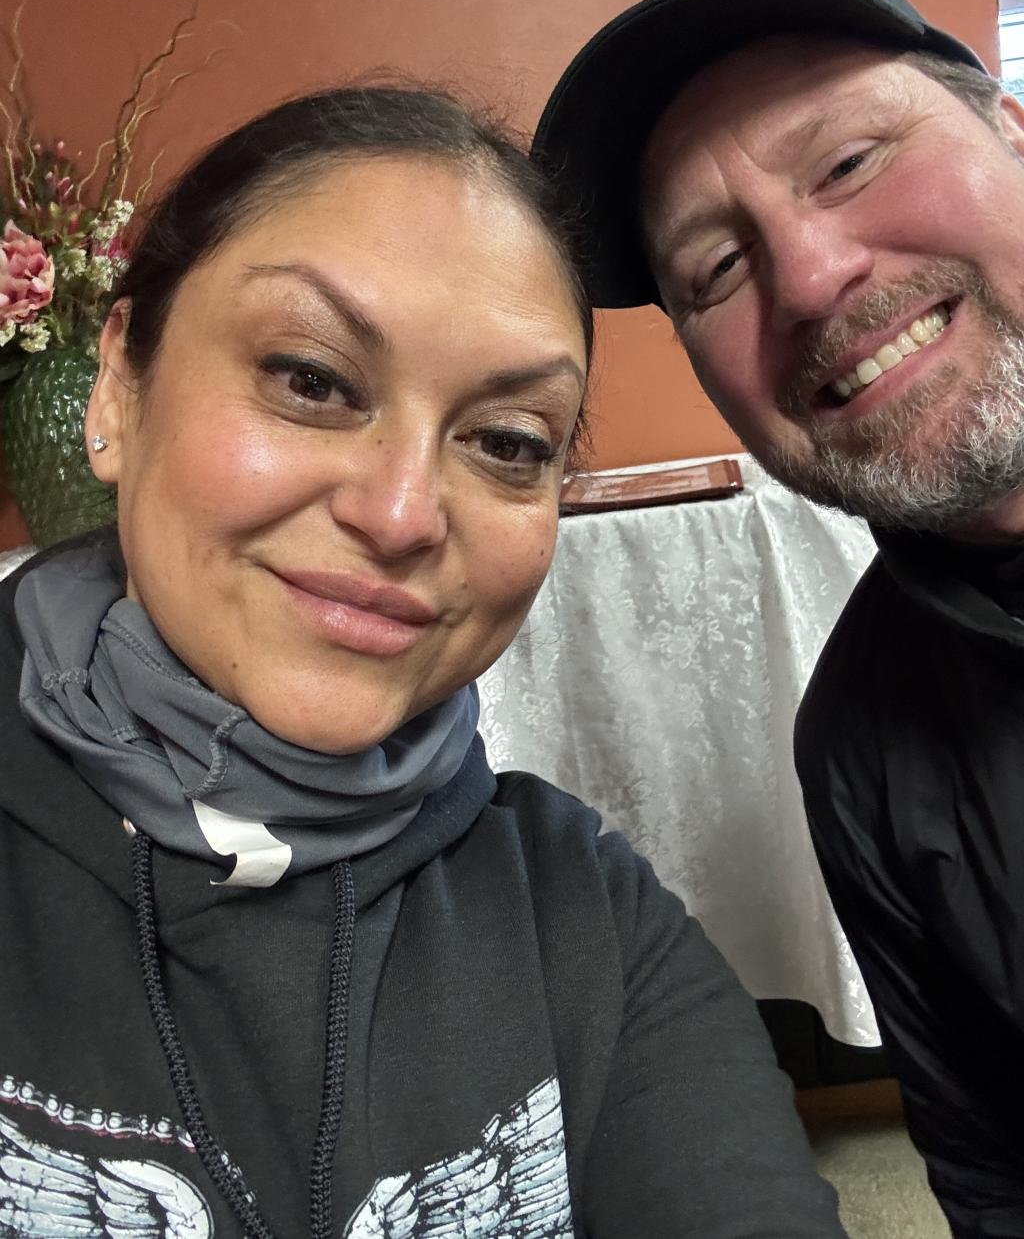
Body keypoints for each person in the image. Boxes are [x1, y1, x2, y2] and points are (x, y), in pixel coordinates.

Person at [0, 85, 843, 1238]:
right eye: (309, 379)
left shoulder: (583, 923)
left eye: (506, 441)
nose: (401, 515)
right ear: (117, 386)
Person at [533, 0, 1024, 1236]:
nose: (806, 279)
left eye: (849, 162)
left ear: (1013, 132)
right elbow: (990, 1175)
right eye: (714, 270)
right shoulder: (863, 747)